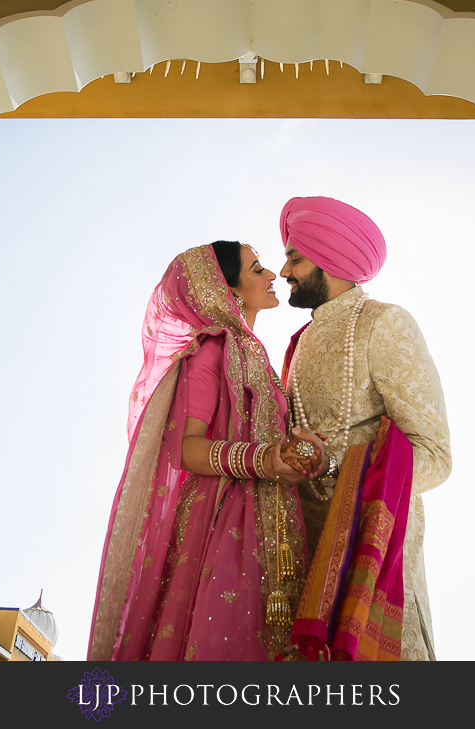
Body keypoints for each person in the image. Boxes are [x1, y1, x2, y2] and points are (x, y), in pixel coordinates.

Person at [88, 241, 322, 661]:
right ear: (225, 289)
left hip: (277, 523)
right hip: (225, 523)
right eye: (256, 269)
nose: (272, 275)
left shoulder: (261, 360)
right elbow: (189, 451)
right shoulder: (212, 350)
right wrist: (265, 460)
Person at [278, 196, 452, 661]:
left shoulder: (384, 323)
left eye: (294, 257)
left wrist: (338, 465)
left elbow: (435, 455)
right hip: (303, 565)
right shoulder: (296, 345)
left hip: (369, 562)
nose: (283, 270)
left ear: (330, 260)